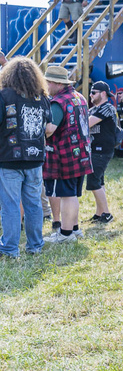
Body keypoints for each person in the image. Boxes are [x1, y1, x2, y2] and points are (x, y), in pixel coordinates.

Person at [0, 57, 51, 258]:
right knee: (33, 204)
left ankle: (10, 249)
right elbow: (48, 127)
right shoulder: (42, 97)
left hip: (8, 159)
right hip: (35, 158)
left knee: (10, 205)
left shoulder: (3, 96)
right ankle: (35, 245)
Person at [42, 66, 93, 243]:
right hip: (82, 155)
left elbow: (49, 130)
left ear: (57, 83)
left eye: (48, 82)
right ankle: (74, 229)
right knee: (72, 194)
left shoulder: (58, 102)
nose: (46, 86)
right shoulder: (80, 97)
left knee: (66, 196)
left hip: (63, 157)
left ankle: (65, 234)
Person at [86, 81, 118, 223]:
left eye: (94, 92)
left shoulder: (107, 108)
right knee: (99, 181)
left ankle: (107, 213)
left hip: (102, 150)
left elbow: (86, 123)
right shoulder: (94, 109)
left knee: (93, 182)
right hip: (94, 149)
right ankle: (99, 214)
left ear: (103, 94)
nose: (91, 95)